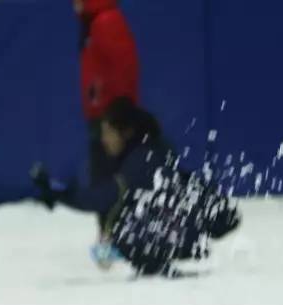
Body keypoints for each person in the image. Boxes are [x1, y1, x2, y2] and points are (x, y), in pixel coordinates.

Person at [31, 97, 239, 274]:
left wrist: (58, 193)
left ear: (126, 132)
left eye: (108, 132)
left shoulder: (141, 160)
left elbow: (102, 198)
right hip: (183, 230)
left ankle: (160, 262)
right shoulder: (150, 151)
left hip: (181, 233)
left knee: (124, 231)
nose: (104, 140)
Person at [74, 0, 139, 236]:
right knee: (102, 175)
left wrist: (118, 114)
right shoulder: (94, 23)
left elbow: (125, 67)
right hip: (101, 113)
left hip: (109, 116)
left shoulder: (106, 22)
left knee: (108, 178)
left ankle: (115, 233)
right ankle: (109, 232)